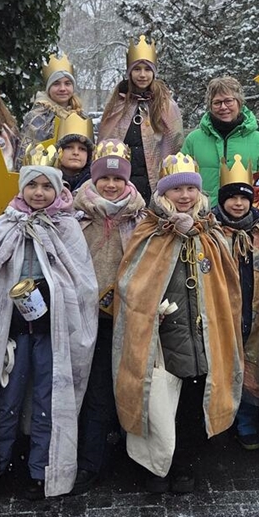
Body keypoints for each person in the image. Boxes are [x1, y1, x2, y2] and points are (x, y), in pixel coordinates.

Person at [0, 159, 98, 501]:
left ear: (58, 190)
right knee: (4, 399)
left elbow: (83, 282)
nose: (39, 193)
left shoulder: (68, 226)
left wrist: (56, 299)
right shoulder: (6, 225)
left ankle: (42, 470)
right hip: (13, 331)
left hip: (53, 331)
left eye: (46, 186)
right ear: (21, 190)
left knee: (47, 401)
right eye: (32, 186)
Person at [113, 153, 242, 494]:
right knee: (156, 403)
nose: (184, 196)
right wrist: (150, 305)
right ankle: (157, 466)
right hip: (160, 336)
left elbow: (224, 287)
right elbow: (130, 282)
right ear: (163, 195)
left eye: (190, 189)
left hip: (202, 334)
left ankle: (185, 465)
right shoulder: (150, 231)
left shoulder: (211, 233)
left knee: (192, 403)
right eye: (176, 190)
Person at [70, 141, 147, 494]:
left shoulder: (140, 217)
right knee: (96, 389)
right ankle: (89, 460)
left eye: (118, 178)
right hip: (88, 316)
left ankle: (127, 452)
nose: (112, 185)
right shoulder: (77, 216)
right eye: (105, 178)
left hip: (130, 315)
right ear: (94, 179)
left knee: (130, 384)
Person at [214, 154, 259, 452]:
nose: (238, 203)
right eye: (232, 198)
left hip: (256, 306)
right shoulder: (212, 230)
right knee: (223, 363)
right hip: (224, 307)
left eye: (244, 197)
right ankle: (220, 419)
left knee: (253, 363)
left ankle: (247, 419)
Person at [96, 36, 185, 201]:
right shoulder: (117, 103)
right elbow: (105, 142)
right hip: (121, 183)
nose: (142, 75)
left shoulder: (166, 105)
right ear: (130, 72)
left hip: (154, 184)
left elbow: (175, 144)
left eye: (147, 69)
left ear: (154, 72)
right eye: (137, 69)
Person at [181, 76, 259, 202]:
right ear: (210, 106)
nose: (223, 107)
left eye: (228, 101)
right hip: (203, 214)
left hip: (244, 213)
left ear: (239, 102)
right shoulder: (193, 140)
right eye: (217, 103)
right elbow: (182, 180)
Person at [16, 52, 93, 167]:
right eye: (56, 84)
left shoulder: (82, 117)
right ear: (48, 88)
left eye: (67, 84)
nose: (62, 88)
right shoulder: (37, 118)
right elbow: (25, 154)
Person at [55, 113, 95, 192]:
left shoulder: (95, 184)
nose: (76, 153)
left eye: (82, 149)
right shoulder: (48, 181)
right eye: (69, 147)